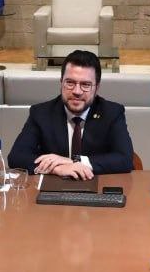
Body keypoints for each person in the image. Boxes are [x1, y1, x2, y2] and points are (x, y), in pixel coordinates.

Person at [7, 49, 134, 180]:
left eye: (85, 84)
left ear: (97, 88)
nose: (77, 91)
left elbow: (125, 159)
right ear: (61, 82)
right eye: (70, 83)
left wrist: (75, 162)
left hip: (96, 187)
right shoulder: (41, 113)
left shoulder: (112, 113)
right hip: (53, 188)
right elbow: (16, 157)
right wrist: (57, 168)